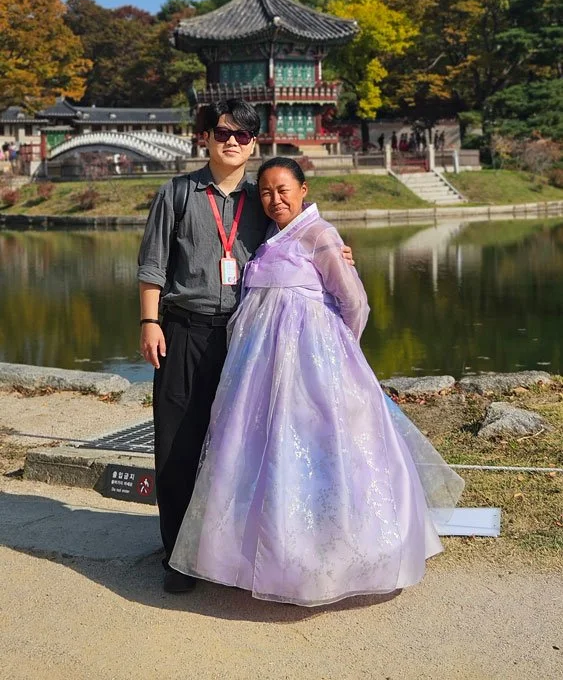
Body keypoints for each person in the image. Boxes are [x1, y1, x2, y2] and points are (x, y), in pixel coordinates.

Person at [169, 158, 464, 607]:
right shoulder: (268, 239)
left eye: (283, 189)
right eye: (266, 192)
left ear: (303, 189)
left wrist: (337, 349)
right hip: (259, 371)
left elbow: (355, 301)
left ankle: (332, 553)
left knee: (322, 453)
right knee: (264, 455)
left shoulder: (319, 234)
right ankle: (261, 553)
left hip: (313, 365)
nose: (275, 199)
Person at [137, 101, 353, 594]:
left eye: (242, 134)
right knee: (177, 443)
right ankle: (177, 555)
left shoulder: (261, 200)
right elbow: (152, 265)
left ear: (254, 143)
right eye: (222, 132)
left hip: (247, 338)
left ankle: (227, 551)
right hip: (184, 330)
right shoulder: (178, 193)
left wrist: (336, 251)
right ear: (206, 138)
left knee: (240, 445)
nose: (231, 141)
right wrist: (150, 321)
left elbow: (299, 238)